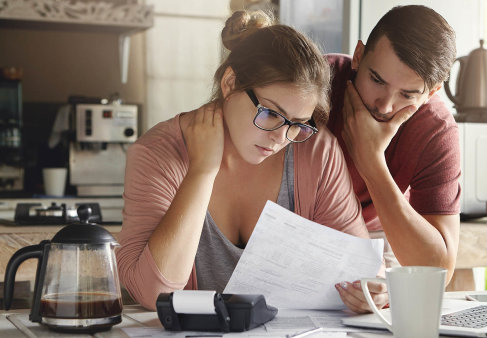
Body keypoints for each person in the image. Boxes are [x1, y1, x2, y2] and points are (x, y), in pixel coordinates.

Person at [116, 10, 387, 312]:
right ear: (230, 84)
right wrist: (202, 171)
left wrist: (374, 291)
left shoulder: (316, 150)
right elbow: (153, 293)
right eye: (270, 113)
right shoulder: (157, 153)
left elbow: (360, 270)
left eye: (297, 123)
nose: (280, 137)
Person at [330, 5, 461, 312]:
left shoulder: (436, 130)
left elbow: (437, 272)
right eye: (377, 80)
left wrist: (371, 162)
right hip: (291, 221)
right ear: (359, 55)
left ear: (432, 92)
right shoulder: (315, 82)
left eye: (408, 94)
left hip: (378, 233)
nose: (386, 106)